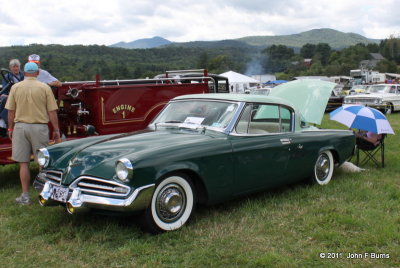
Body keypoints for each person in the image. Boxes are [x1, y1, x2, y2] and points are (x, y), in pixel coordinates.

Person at [5, 62, 60, 205]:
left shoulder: (15, 87)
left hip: (20, 127)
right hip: (39, 127)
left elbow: (11, 112)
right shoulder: (45, 87)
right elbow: (52, 112)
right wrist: (56, 130)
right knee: (43, 163)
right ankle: (45, 194)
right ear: (37, 73)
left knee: (23, 163)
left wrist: (10, 128)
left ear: (24, 72)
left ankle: (25, 196)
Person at [0, 59, 24, 129]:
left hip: (22, 95)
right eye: (14, 67)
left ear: (19, 67)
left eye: (17, 66)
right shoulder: (7, 76)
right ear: (10, 68)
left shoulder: (24, 76)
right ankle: (2, 120)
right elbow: (4, 90)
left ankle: (3, 121)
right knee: (5, 98)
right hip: (10, 95)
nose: (16, 68)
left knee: (7, 100)